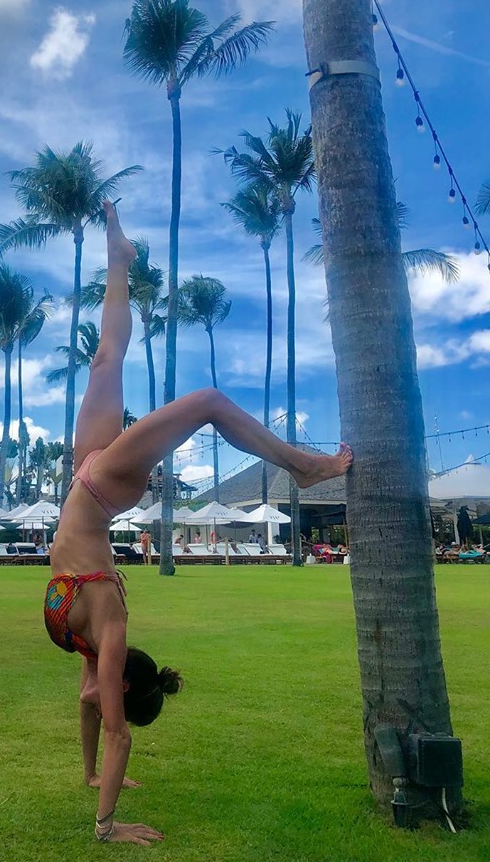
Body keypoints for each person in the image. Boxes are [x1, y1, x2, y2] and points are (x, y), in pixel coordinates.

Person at [43, 200, 353, 845]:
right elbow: (117, 730)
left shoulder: (91, 648)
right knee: (199, 397)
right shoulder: (107, 632)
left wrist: (92, 781)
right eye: (110, 691)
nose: (96, 696)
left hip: (87, 482)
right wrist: (109, 820)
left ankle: (119, 261)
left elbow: (92, 709)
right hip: (100, 488)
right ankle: (301, 466)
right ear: (123, 680)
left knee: (106, 360)